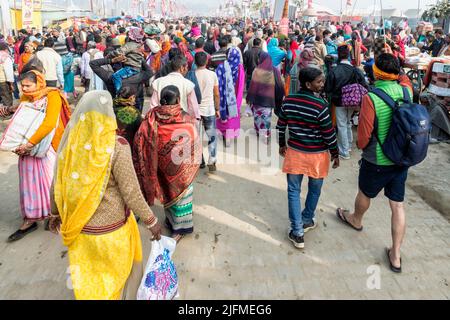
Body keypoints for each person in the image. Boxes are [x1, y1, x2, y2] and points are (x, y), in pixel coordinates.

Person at [49, 90, 161, 300]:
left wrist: (54, 213)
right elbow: (131, 191)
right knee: (111, 285)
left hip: (79, 232)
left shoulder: (70, 146)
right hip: (111, 234)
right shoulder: (116, 146)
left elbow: (57, 183)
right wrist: (151, 220)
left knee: (90, 285)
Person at [336, 53, 413, 273]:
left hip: (377, 159)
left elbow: (363, 138)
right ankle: (396, 255)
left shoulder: (371, 98)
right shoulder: (406, 90)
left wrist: (362, 147)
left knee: (365, 193)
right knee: (397, 205)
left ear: (376, 72)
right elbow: (405, 79)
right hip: (401, 158)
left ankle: (355, 220)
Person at [0, 70, 70, 242]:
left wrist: (29, 144)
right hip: (27, 148)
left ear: (39, 83)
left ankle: (54, 215)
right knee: (28, 184)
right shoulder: (27, 97)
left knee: (49, 181)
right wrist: (9, 111)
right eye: (22, 86)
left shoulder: (52, 96)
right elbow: (22, 114)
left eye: (28, 85)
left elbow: (49, 123)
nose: (24, 89)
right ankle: (30, 219)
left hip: (46, 146)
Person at [277, 67, 339, 249]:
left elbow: (281, 126)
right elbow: (329, 134)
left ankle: (297, 231)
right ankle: (306, 219)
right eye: (319, 81)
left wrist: (282, 144)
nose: (322, 84)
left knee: (293, 191)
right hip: (317, 156)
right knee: (314, 189)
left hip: (295, 152)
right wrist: (335, 153)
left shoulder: (288, 101)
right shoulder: (321, 106)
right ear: (307, 84)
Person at [134, 85, 200, 243]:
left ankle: (170, 222)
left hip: (161, 165)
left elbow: (140, 138)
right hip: (183, 168)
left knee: (167, 192)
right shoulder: (186, 118)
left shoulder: (152, 117)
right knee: (182, 198)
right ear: (178, 99)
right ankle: (179, 229)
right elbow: (194, 139)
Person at [325, 44, 368, 160]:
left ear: (338, 56)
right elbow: (364, 85)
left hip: (339, 101)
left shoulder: (334, 70)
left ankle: (344, 151)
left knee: (342, 124)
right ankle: (348, 146)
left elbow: (328, 88)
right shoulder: (355, 70)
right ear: (348, 56)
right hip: (353, 101)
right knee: (348, 122)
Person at [246, 52, 284, 144]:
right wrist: (279, 97)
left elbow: (252, 85)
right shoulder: (275, 70)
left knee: (257, 117)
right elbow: (279, 85)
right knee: (266, 118)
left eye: (259, 58)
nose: (258, 60)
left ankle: (259, 131)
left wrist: (249, 98)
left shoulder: (257, 70)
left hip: (257, 99)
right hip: (268, 99)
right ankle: (266, 135)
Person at [149, 55, 200, 120]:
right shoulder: (188, 84)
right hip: (181, 122)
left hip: (161, 122)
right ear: (182, 68)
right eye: (187, 67)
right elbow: (193, 108)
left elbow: (153, 105)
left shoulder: (158, 82)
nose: (187, 70)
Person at [195, 52, 220, 172]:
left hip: (195, 110)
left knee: (197, 137)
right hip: (209, 109)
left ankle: (200, 160)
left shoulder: (191, 75)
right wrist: (217, 109)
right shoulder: (212, 75)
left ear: (195, 62)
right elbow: (216, 94)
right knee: (212, 136)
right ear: (206, 62)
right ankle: (212, 159)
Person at [215, 47, 245, 147]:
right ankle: (229, 137)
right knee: (232, 117)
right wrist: (238, 100)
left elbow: (218, 83)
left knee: (224, 116)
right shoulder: (240, 68)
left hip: (223, 97)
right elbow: (241, 85)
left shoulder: (221, 66)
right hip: (234, 99)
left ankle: (224, 135)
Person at [0, 42, 14, 107]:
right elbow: (9, 72)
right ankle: (7, 114)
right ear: (6, 48)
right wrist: (11, 84)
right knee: (7, 98)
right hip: (3, 81)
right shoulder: (5, 57)